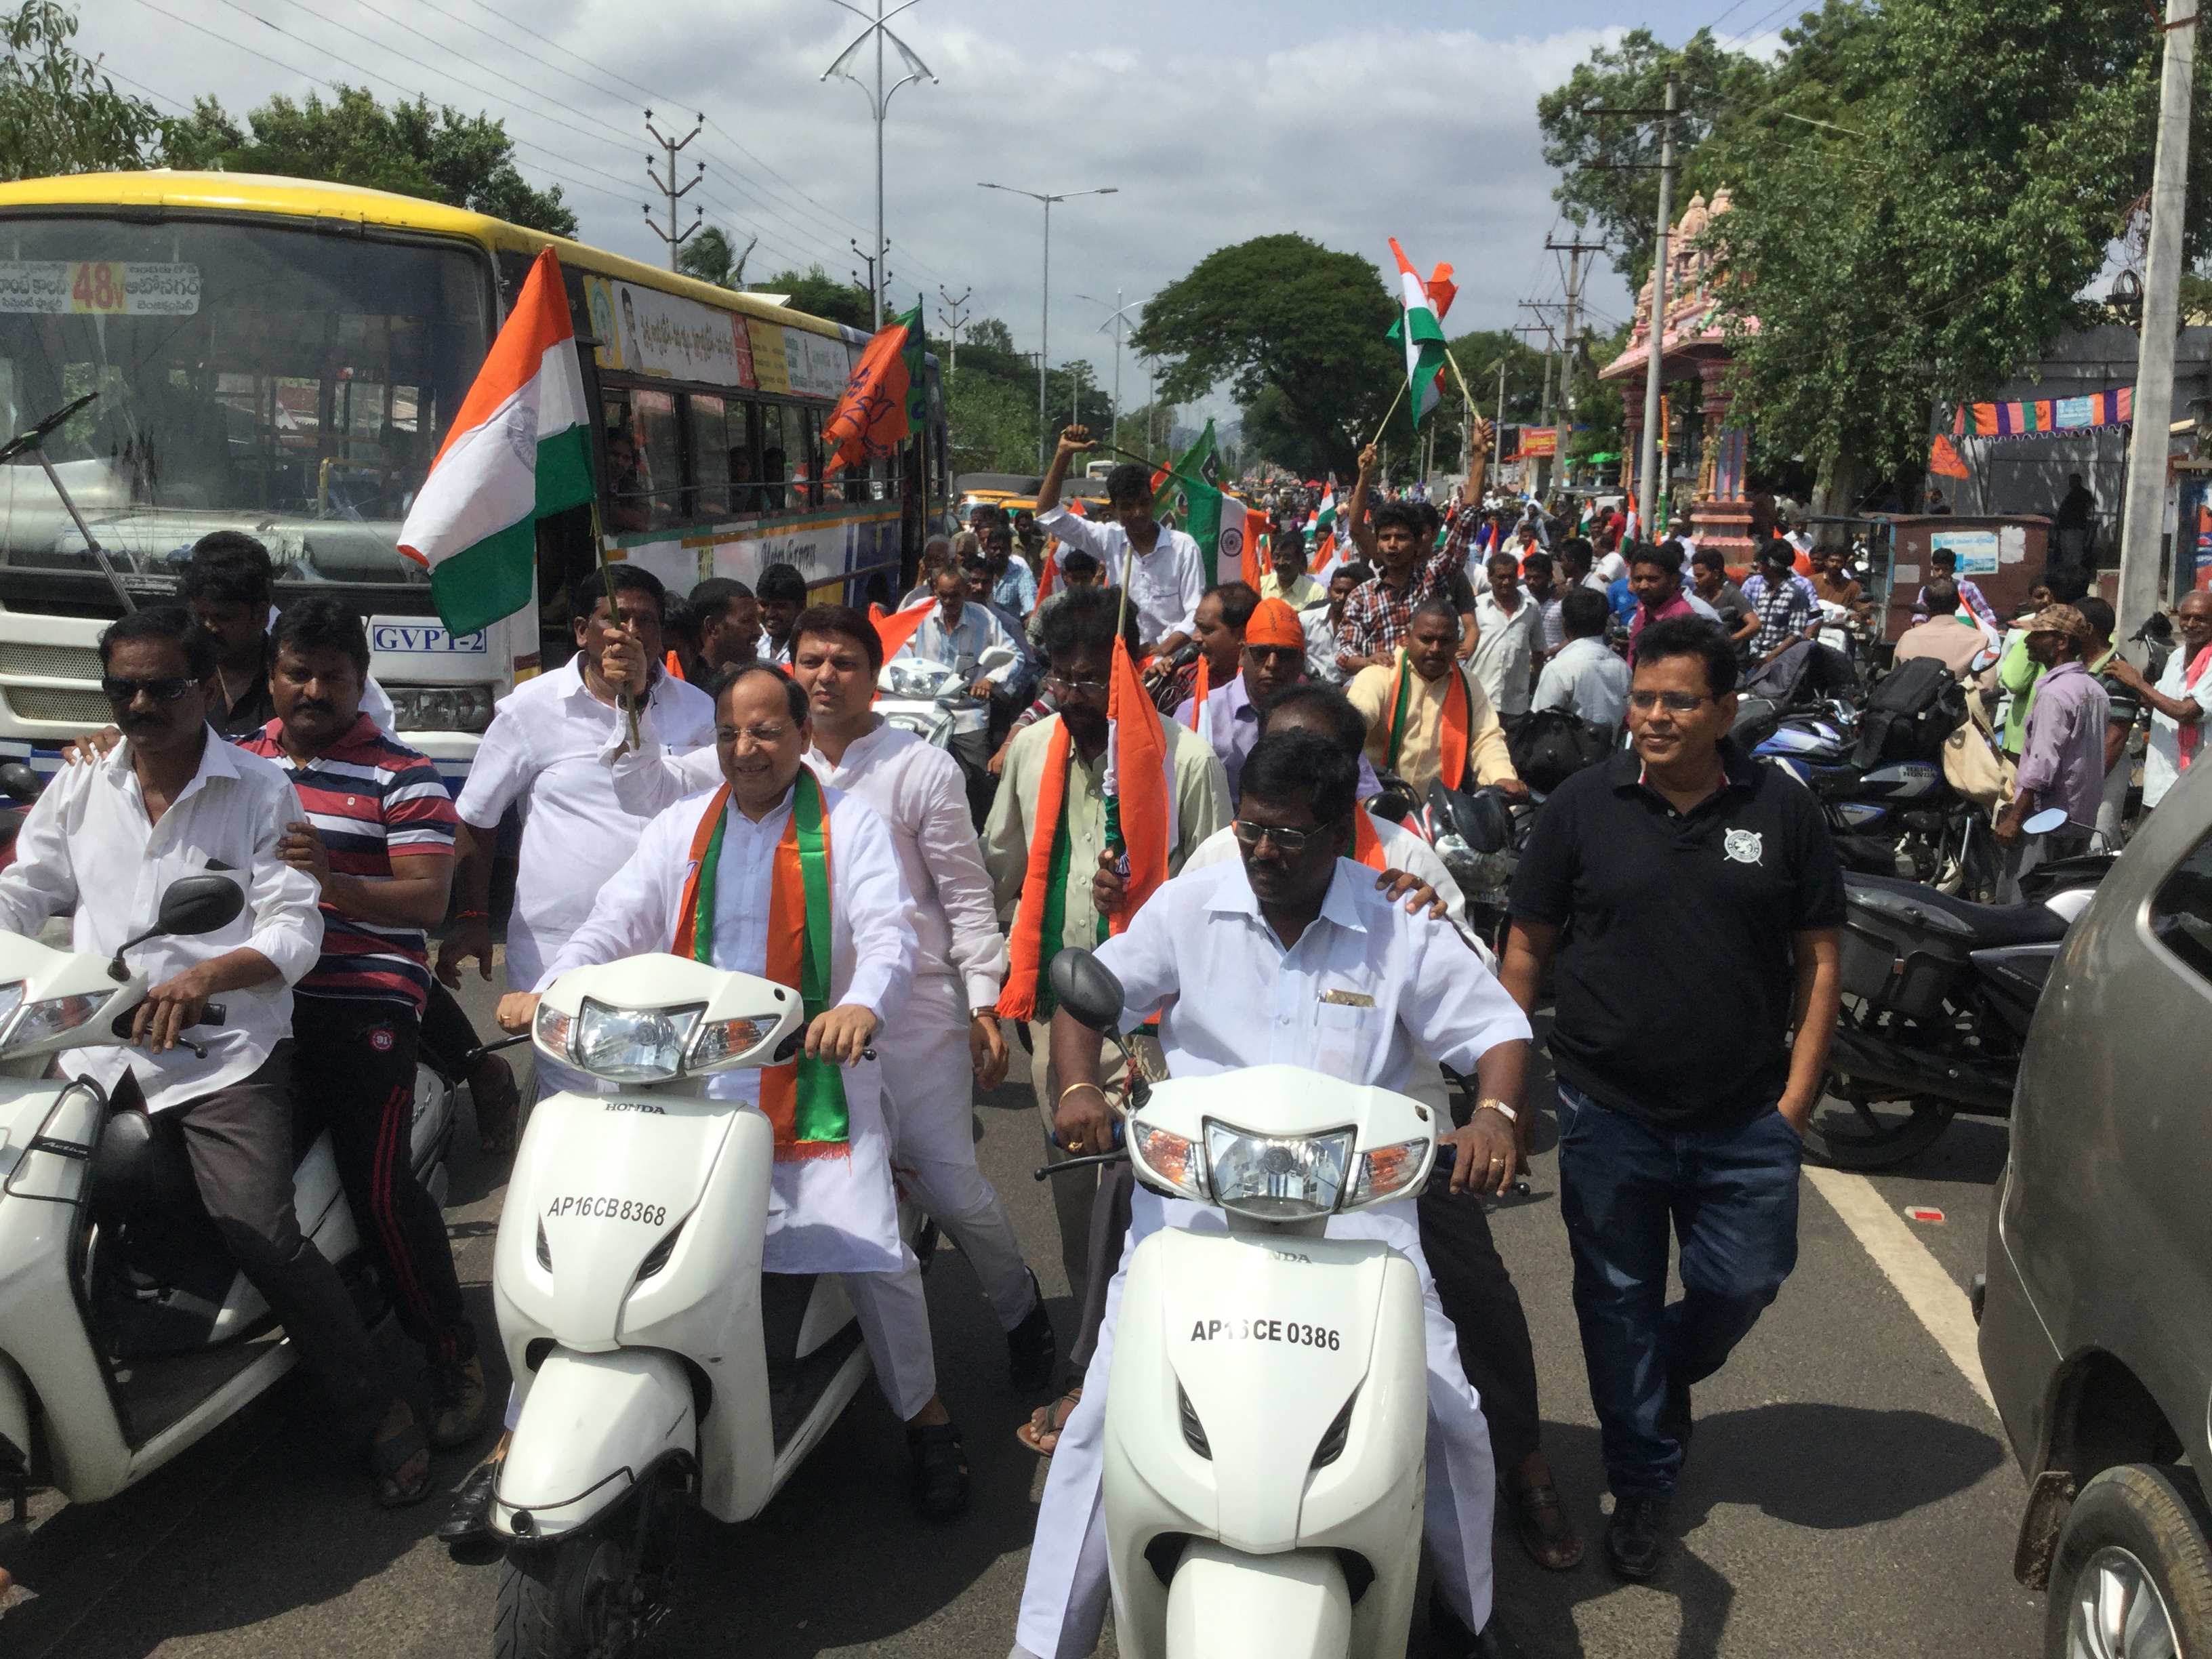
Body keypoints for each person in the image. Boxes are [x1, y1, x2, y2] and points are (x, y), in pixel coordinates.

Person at [1015, 729, 1534, 1659]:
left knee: (1450, 1409)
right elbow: (1090, 998)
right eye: (1253, 830)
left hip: (1360, 1220)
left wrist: (1493, 1114)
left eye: (1289, 837)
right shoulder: (1190, 905)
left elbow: (1497, 1028)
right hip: (1195, 1211)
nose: (1262, 852)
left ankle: (1469, 1617)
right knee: (1099, 1415)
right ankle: (1043, 1644)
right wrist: (1079, 1088)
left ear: (1342, 830)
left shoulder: (1396, 917)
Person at [497, 663, 975, 1517]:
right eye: (728, 733)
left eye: (763, 732)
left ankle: (926, 1419)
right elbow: (617, 918)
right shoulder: (681, 825)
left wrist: (863, 1003)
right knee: (590, 1230)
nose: (745, 749)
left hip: (814, 1072)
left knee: (871, 1251)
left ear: (799, 737)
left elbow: (888, 931)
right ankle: (518, 1425)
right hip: (687, 1077)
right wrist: (555, 985)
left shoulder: (851, 826)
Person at [0, 607, 433, 1506]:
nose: (141, 703)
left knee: (261, 1233)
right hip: (88, 1050)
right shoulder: (81, 784)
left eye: (162, 686)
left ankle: (377, 1410)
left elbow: (294, 923)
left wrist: (208, 978)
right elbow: (26, 889)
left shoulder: (257, 790)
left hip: (220, 1054)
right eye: (123, 689)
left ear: (207, 688)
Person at [596, 604, 1058, 1381]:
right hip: (773, 1025)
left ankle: (1017, 1306)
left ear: (876, 678)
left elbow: (965, 897)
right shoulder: (755, 748)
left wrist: (983, 1003)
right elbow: (650, 793)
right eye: (811, 660)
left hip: (900, 1017)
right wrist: (634, 700)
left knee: (941, 1181)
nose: (825, 675)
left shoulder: (919, 769)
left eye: (844, 662)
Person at [1500, 615, 1844, 1580]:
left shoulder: (1782, 810)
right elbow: (1527, 949)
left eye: (1677, 701)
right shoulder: (1580, 806)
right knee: (1614, 1297)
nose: (1652, 717)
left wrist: (1796, 1104)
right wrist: (1509, 1084)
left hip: (1745, 1119)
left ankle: (1655, 1375)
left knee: (1745, 1280)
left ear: (1725, 710)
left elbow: (1820, 961)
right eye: (1643, 698)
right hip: (1609, 1111)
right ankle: (1643, 1474)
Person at [235, 598, 485, 1450]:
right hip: (252, 995)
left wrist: (336, 884)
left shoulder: (401, 774)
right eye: (297, 672)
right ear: (272, 676)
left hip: (360, 995)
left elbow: (428, 899)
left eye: (332, 677)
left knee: (377, 1184)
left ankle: (449, 1350)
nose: (312, 689)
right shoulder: (235, 763)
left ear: (358, 682)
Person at [980, 588, 1228, 1309]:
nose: (1073, 692)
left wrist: (1147, 902)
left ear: (1134, 667)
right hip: (1057, 1015)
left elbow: (1214, 891)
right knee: (1080, 1196)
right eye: (1061, 676)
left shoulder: (1186, 761)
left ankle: (1168, 1325)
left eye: (1092, 677)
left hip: (1158, 1023)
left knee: (1167, 1183)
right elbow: (1002, 867)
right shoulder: (1031, 748)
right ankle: (1092, 1350)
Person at [440, 566, 717, 1098]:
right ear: (581, 631)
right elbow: (477, 816)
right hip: (558, 945)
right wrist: (473, 917)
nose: (631, 633)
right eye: (616, 619)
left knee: (667, 1094)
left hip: (671, 943)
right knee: (576, 1093)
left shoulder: (698, 712)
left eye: (646, 622)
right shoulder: (530, 710)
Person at [176, 532, 396, 739]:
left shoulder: (312, 669)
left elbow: (379, 746)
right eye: (199, 615)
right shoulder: (177, 673)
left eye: (223, 618)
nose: (209, 627)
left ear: (261, 613)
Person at [1034, 427, 1204, 666]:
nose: (1139, 513)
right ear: (1113, 509)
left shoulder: (1184, 547)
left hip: (1173, 661)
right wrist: (1063, 454)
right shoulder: (1109, 538)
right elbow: (1047, 515)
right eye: (1127, 506)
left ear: (1152, 500)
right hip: (1122, 660)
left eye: (1144, 503)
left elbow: (1196, 613)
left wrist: (1163, 649)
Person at [1347, 600, 1524, 800]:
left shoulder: (1468, 685)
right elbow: (1355, 721)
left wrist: (1501, 777)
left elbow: (1486, 739)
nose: (1435, 649)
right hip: (1378, 806)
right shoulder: (1380, 675)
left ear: (1458, 642)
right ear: (1408, 637)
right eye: (1427, 639)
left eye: (1445, 641)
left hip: (1441, 813)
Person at [1995, 605, 2110, 895]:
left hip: (2046, 822)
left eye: (2038, 636)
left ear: (2062, 642)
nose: (2028, 641)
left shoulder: (2054, 694)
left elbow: (2042, 767)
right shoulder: (2094, 689)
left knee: (2025, 903)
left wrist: (2014, 819)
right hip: (2080, 818)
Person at [1336, 480, 1478, 677]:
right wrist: (1367, 662)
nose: (1392, 545)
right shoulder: (1361, 597)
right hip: (1382, 691)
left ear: (1418, 543)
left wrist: (1480, 458)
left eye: (1401, 537)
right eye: (1385, 538)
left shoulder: (1433, 578)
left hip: (1432, 689)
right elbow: (1345, 653)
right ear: (1377, 544)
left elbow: (1464, 528)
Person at [1175, 596, 1309, 800]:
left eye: (1284, 654)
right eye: (1261, 653)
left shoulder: (1320, 718)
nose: (1272, 664)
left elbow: (1362, 797)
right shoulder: (1198, 714)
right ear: (1242, 655)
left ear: (1301, 662)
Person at [2108, 590, 2212, 813]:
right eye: (2186, 617)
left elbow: (2186, 712)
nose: (2191, 624)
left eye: (2201, 619)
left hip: (2197, 790)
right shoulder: (2176, 657)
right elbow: (2159, 701)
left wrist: (2137, 682)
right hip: (2160, 782)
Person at [1532, 587, 1633, 729]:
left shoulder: (1558, 668)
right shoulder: (1623, 667)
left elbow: (1540, 723)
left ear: (1565, 624)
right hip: (1612, 748)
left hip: (1568, 748)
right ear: (1605, 624)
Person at [1166, 581, 1258, 722]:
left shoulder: (1264, 683)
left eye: (1206, 630)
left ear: (1241, 635)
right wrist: (1156, 687)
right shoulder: (1184, 679)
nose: (1195, 637)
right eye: (1196, 627)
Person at [1471, 550, 1542, 719]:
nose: (1506, 582)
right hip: (1480, 699)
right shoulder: (1476, 607)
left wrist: (1537, 682)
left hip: (1516, 704)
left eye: (1511, 577)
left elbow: (1538, 650)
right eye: (1501, 577)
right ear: (1489, 577)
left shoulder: (1531, 607)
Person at [1893, 576, 1998, 678]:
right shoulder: (1980, 640)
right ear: (1958, 605)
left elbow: (1894, 682)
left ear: (1927, 608)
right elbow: (1987, 686)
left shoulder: (1907, 639)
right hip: (1960, 696)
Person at [1740, 539, 1822, 665]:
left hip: (1781, 662)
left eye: (1761, 564)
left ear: (1770, 566)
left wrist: (1770, 658)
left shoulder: (1796, 594)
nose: (1759, 568)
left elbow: (1796, 634)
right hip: (1754, 657)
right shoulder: (1764, 592)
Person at [1626, 541, 1723, 641]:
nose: (1643, 586)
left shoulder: (1683, 621)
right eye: (1638, 579)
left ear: (1673, 581)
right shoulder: (1644, 608)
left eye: (1652, 579)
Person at [676, 577, 758, 684]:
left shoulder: (761, 680)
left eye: (757, 621)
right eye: (747, 621)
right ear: (712, 627)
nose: (759, 631)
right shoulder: (680, 686)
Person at [1305, 559, 1369, 686]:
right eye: (1338, 591)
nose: (1342, 598)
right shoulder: (1306, 619)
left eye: (1349, 593)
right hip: (1311, 688)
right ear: (1329, 591)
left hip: (1346, 691)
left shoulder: (1364, 627)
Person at [1914, 547, 1999, 630]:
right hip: (1935, 633)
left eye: (1945, 569)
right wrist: (1919, 624)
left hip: (1964, 633)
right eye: (1937, 569)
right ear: (1932, 570)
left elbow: (1984, 611)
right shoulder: (1927, 590)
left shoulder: (1968, 588)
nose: (1940, 573)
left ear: (1953, 570)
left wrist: (1992, 629)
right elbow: (1920, 613)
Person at [1689, 546, 1755, 648]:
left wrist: (1729, 640)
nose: (1696, 580)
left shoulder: (1732, 595)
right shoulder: (1696, 596)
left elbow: (1755, 625)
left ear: (1716, 574)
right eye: (1695, 575)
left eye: (1700, 576)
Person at [755, 562, 809, 665]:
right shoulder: (752, 640)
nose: (770, 613)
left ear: (801, 607)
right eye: (764, 604)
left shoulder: (810, 645)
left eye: (780, 606)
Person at [1259, 523, 1324, 608]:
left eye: (1287, 558)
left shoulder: (1316, 593)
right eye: (1277, 557)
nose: (1281, 562)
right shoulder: (1261, 585)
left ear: (1299, 559)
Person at [602, 430, 650, 533]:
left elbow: (639, 521)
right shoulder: (592, 485)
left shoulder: (630, 486)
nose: (620, 462)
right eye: (615, 455)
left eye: (626, 458)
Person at [987, 523, 1040, 615]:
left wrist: (1031, 617)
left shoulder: (1020, 572)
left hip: (1010, 627)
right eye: (994, 549)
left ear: (1010, 551)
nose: (998, 552)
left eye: (1003, 549)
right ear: (987, 550)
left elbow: (1029, 600)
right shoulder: (979, 571)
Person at [1523, 550, 1564, 654]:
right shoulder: (1521, 598)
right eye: (1528, 578)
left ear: (1549, 577)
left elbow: (1574, 637)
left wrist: (1549, 652)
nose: (1531, 582)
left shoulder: (1561, 603)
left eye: (1537, 578)